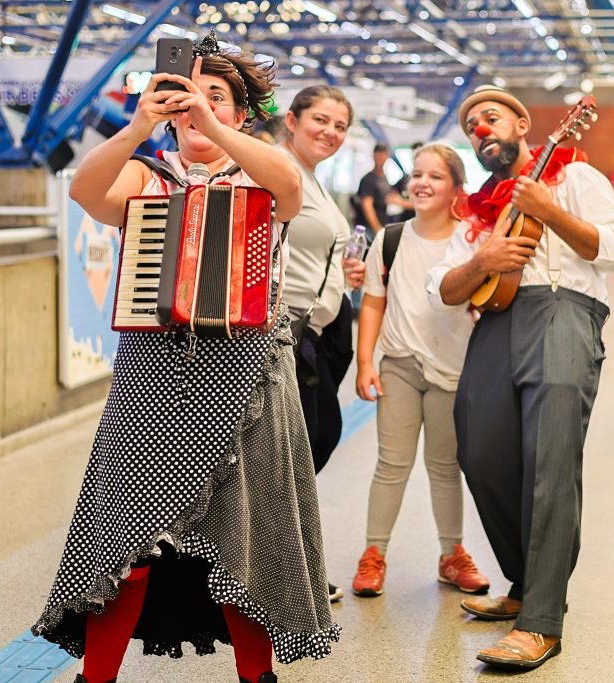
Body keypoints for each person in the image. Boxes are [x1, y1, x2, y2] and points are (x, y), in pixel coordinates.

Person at [32, 32, 340, 683]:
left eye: (216, 95)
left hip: (245, 375)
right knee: (128, 544)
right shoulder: (149, 173)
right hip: (152, 377)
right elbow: (87, 193)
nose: (197, 106)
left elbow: (286, 186)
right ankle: (98, 677)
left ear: (239, 110)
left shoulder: (258, 167)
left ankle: (258, 678)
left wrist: (215, 128)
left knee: (245, 547)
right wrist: (139, 123)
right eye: (185, 94)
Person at [427, 85, 614, 669]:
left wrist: (551, 213)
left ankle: (541, 618)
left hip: (566, 308)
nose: (480, 131)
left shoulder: (576, 179)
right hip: (497, 318)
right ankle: (523, 579)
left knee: (551, 461)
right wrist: (480, 263)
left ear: (523, 126)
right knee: (481, 448)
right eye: (470, 127)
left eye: (490, 119)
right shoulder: (479, 209)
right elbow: (442, 286)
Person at [351, 143, 490, 599]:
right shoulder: (391, 239)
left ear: (455, 187)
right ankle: (373, 554)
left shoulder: (472, 240)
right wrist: (366, 362)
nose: (422, 183)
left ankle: (452, 554)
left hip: (453, 369)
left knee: (445, 467)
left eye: (435, 176)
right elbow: (374, 300)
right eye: (416, 174)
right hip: (400, 365)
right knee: (392, 464)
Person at [278, 84, 365, 602]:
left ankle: (286, 563)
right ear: (291, 120)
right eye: (321, 120)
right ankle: (288, 570)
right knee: (294, 450)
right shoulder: (270, 167)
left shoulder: (314, 179)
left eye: (340, 125)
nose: (330, 132)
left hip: (318, 329)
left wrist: (341, 272)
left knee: (309, 445)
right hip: (283, 330)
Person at [354, 142, 402, 236]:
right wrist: (377, 229)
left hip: (382, 223)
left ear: (387, 156)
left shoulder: (384, 177)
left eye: (383, 155)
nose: (380, 159)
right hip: (369, 229)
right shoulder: (368, 179)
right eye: (378, 155)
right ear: (373, 156)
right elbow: (367, 206)